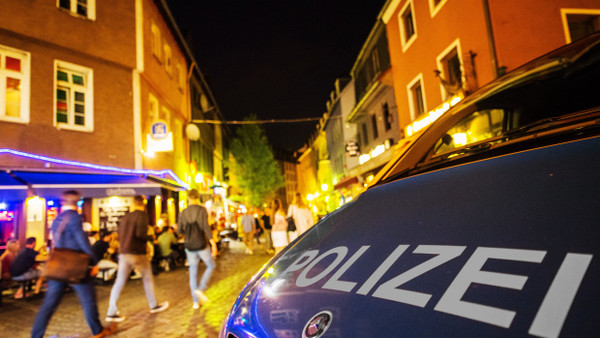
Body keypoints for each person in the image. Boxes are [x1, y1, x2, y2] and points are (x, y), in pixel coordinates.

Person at [32, 190, 114, 338]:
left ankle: (36, 336)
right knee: (88, 299)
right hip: (75, 266)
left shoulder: (57, 219)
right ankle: (97, 331)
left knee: (48, 305)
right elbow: (82, 241)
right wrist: (94, 261)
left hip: (58, 266)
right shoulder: (75, 217)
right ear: (77, 202)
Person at [105, 195, 169, 322]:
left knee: (119, 282)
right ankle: (153, 305)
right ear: (143, 204)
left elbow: (121, 234)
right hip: (137, 252)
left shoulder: (126, 217)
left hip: (124, 252)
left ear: (133, 204)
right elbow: (140, 234)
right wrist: (151, 237)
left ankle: (111, 312)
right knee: (147, 278)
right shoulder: (142, 216)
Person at [178, 189, 217, 309]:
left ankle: (195, 302)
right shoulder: (201, 210)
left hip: (189, 245)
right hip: (201, 244)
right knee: (211, 265)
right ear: (198, 197)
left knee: (193, 272)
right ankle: (201, 288)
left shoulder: (183, 212)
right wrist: (212, 242)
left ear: (188, 198)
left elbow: (179, 230)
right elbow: (205, 227)